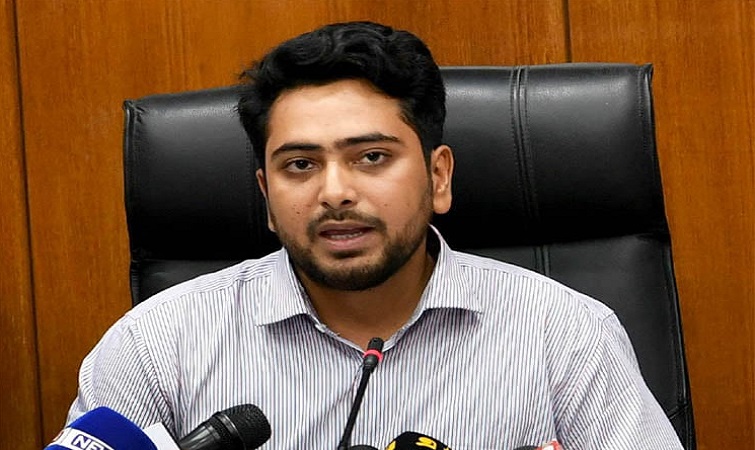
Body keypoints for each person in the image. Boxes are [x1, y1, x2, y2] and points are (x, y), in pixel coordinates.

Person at [67, 21, 684, 449]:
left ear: (438, 177)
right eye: (300, 165)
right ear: (267, 198)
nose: (334, 192)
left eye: (371, 157)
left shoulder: (563, 335)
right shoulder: (158, 345)